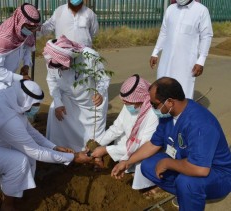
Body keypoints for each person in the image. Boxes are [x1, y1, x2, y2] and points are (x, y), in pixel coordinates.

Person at [0, 80, 92, 211]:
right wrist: (73, 157)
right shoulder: (8, 119)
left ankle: (16, 188)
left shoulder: (10, 99)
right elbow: (36, 152)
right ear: (26, 101)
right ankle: (8, 205)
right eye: (35, 104)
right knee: (19, 161)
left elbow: (29, 130)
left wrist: (53, 147)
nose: (36, 108)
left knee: (25, 155)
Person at [111, 77, 231, 211]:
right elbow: (153, 144)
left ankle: (190, 197)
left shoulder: (200, 124)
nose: (151, 107)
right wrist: (127, 162)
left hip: (217, 175)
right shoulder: (168, 116)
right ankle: (187, 196)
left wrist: (167, 163)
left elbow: (200, 169)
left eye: (154, 104)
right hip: (186, 162)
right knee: (148, 165)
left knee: (186, 183)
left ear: (169, 102)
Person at [43, 35, 110, 152]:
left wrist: (100, 92)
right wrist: (58, 102)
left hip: (92, 99)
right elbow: (51, 80)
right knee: (54, 108)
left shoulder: (89, 56)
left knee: (94, 133)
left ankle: (93, 153)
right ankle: (62, 148)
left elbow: (103, 78)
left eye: (63, 66)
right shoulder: (51, 58)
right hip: (69, 98)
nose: (61, 70)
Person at [91, 74, 158, 190]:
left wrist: (106, 150)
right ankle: (127, 166)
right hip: (130, 145)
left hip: (146, 150)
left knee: (145, 165)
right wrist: (98, 144)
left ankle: (148, 183)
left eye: (128, 103)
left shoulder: (153, 114)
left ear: (140, 100)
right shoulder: (131, 104)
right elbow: (116, 127)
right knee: (120, 137)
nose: (126, 106)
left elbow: (141, 146)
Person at [149, 0, 213, 99]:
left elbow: (206, 36)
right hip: (166, 61)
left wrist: (201, 61)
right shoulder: (171, 9)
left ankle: (182, 114)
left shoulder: (201, 11)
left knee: (182, 92)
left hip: (185, 64)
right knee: (162, 89)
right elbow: (164, 32)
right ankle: (162, 113)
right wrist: (155, 52)